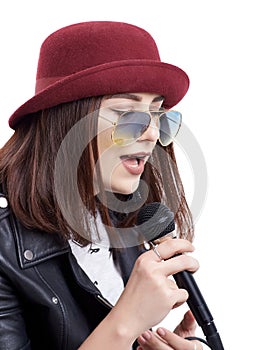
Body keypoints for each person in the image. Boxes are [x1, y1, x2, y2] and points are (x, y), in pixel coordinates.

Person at [0, 21, 201, 350]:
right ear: (66, 121)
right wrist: (126, 322)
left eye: (157, 114)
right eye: (126, 112)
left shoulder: (122, 212)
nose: (151, 133)